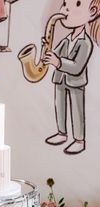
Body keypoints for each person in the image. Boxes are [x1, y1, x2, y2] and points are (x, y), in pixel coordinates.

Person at [43, 0, 100, 155]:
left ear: (92, 12)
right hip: (60, 79)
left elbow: (77, 66)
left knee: (77, 111)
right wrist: (47, 50)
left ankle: (79, 140)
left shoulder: (86, 43)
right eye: (65, 3)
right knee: (60, 107)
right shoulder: (66, 39)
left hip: (75, 82)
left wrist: (58, 61)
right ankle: (61, 133)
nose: (66, 8)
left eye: (77, 4)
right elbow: (55, 53)